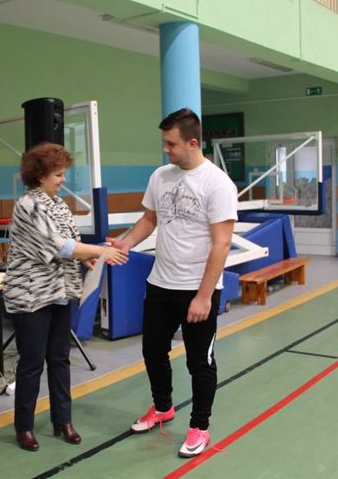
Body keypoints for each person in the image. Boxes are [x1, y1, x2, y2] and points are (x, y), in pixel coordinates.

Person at [110, 108, 237, 458]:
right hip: (161, 283)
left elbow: (222, 244)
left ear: (193, 143)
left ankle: (200, 426)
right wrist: (125, 243)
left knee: (199, 363)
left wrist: (204, 296)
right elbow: (149, 219)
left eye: (171, 144)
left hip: (197, 289)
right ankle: (163, 407)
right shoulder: (160, 176)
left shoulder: (217, 184)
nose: (166, 149)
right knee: (152, 350)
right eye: (164, 143)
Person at [3, 142, 128, 451]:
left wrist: (86, 256)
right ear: (40, 175)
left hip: (60, 292)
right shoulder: (28, 206)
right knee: (32, 362)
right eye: (58, 174)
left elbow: (71, 243)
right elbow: (59, 246)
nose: (63, 180)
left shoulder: (58, 204)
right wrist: (101, 251)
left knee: (60, 359)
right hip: (32, 295)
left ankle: (63, 420)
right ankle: (24, 427)